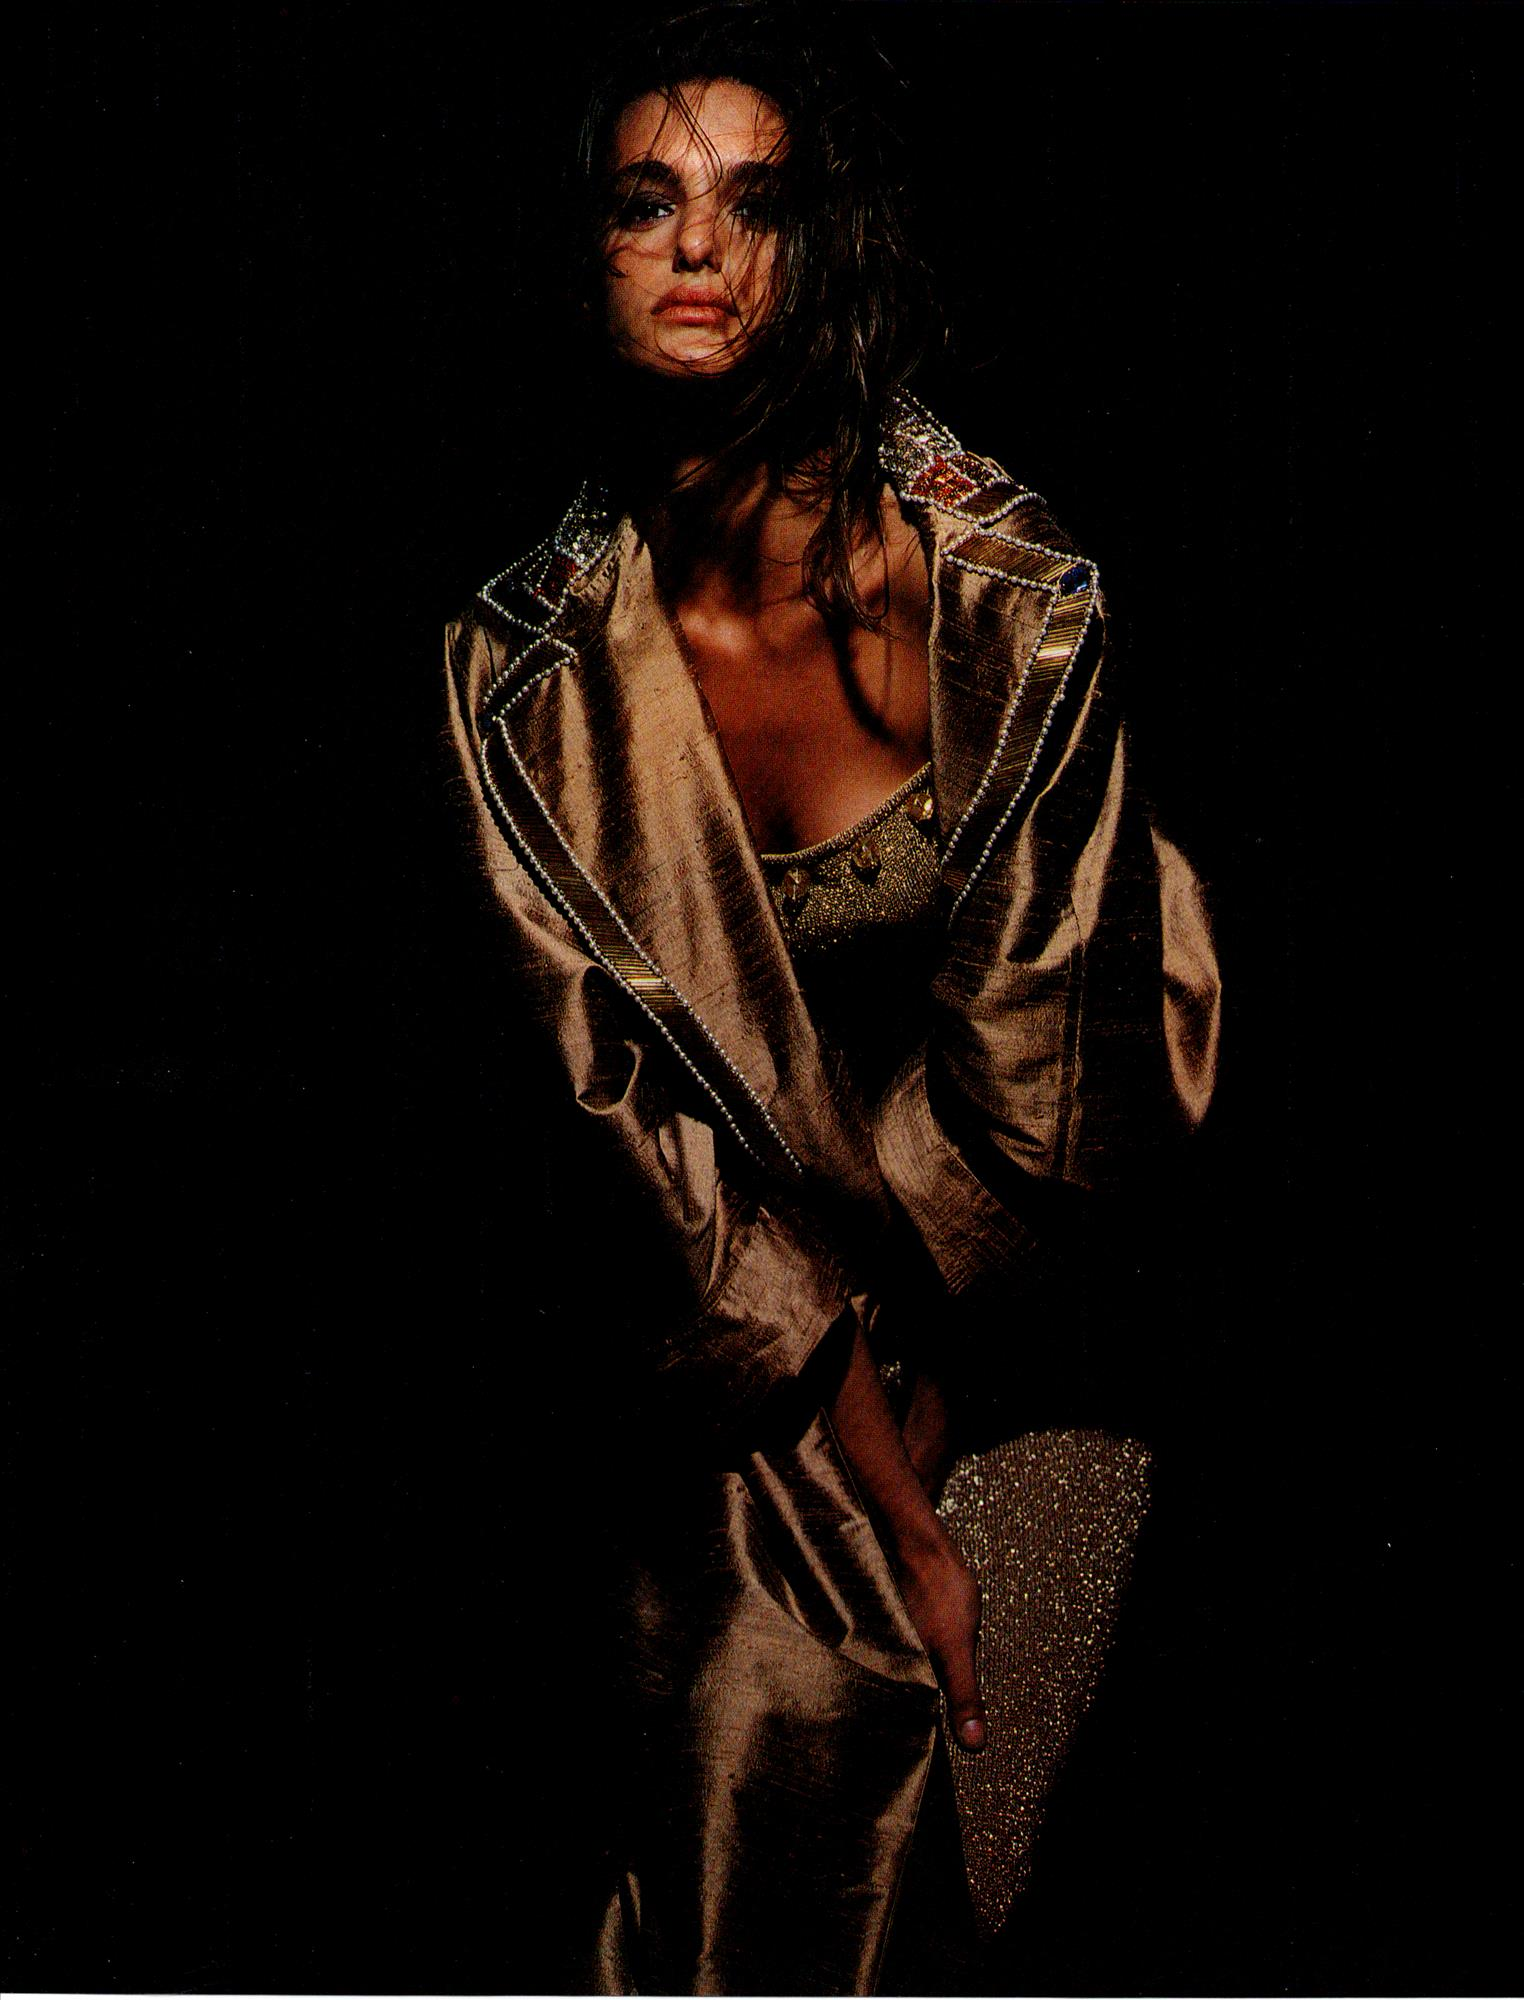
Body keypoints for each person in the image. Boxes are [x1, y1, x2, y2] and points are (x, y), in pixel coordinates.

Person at [444, 6, 1219, 1991]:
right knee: (750, 1766)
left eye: (753, 201)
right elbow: (643, 1155)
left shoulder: (1005, 593)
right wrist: (888, 1496)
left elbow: (1061, 1071)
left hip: (1034, 1334)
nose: (699, 246)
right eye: (647, 200)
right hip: (734, 1372)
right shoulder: (516, 677)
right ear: (586, 251)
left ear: (823, 243)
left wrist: (951, 1451)